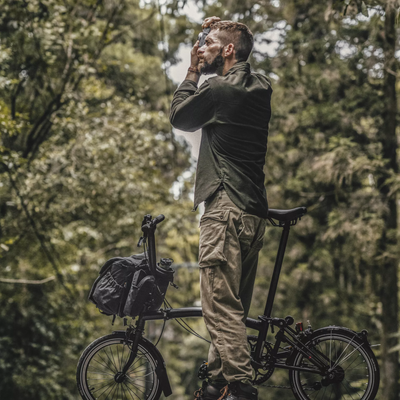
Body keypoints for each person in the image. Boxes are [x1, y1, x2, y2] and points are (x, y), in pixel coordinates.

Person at [169, 16, 272, 400]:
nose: (202, 49)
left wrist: (193, 71)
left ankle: (241, 387)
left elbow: (179, 116)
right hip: (253, 215)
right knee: (233, 309)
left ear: (229, 50)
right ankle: (215, 386)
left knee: (217, 307)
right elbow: (236, 43)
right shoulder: (260, 87)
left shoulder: (217, 90)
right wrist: (216, 30)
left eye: (209, 43)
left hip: (225, 210)